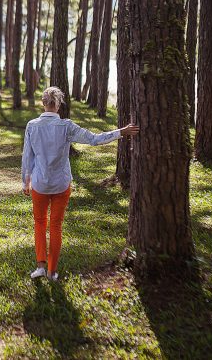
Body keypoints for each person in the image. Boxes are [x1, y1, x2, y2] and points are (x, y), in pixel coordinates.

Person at [21, 86, 140, 281]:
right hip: (61, 184)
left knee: (40, 224)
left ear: (43, 103)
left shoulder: (32, 126)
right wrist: (121, 132)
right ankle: (51, 272)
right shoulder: (66, 126)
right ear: (58, 105)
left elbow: (27, 156)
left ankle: (40, 267)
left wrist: (25, 182)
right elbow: (94, 139)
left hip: (40, 184)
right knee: (56, 226)